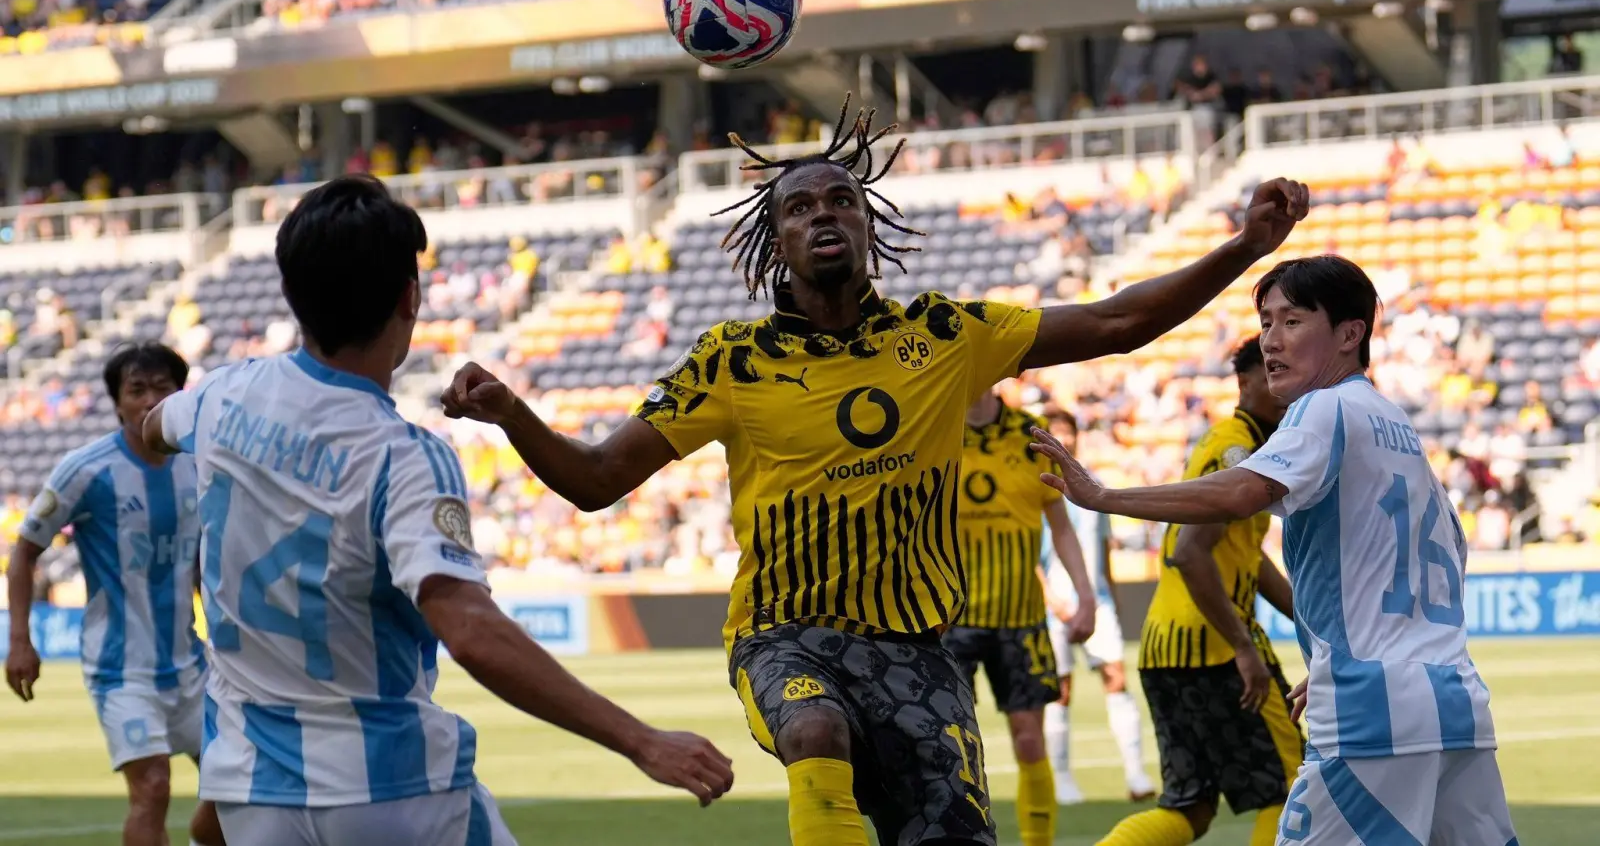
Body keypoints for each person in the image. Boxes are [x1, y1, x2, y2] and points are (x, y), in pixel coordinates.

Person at [441, 95, 1308, 846]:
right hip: (784, 634)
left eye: (840, 199)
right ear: (775, 239)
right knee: (814, 724)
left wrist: (1246, 246)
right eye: (798, 207)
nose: (822, 214)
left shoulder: (946, 336)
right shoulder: (730, 362)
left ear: (867, 222)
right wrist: (516, 414)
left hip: (916, 649)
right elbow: (595, 481)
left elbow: (1118, 322)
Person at [140, 176, 734, 846]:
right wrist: (641, 740)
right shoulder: (404, 456)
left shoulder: (221, 395)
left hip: (254, 795)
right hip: (392, 792)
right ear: (409, 298)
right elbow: (472, 631)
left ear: (292, 292)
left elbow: (154, 426)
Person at [1030, 256, 1516, 846]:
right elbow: (1447, 549)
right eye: (1266, 323)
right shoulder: (1397, 425)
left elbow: (1241, 493)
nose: (1271, 341)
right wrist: (1366, 646)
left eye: (1292, 321)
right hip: (1455, 702)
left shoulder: (1324, 407)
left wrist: (1104, 495)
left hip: (1374, 712)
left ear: (1349, 333)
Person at [5, 342, 226, 846]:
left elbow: (198, 558)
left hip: (191, 662)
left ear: (180, 396)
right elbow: (24, 552)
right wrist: (20, 638)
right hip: (120, 668)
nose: (150, 400)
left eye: (162, 388)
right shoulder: (86, 468)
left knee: (238, 785)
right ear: (117, 402)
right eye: (137, 389)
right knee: (152, 787)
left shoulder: (198, 464)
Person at [1090, 335, 1301, 846]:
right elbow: (1190, 551)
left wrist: (1309, 616)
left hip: (1164, 647)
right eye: (1271, 374)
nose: (1284, 387)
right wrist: (1243, 646)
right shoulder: (1237, 448)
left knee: (1192, 805)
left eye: (1289, 374)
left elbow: (1247, 554)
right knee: (1295, 786)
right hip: (1215, 645)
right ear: (1244, 382)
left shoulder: (1235, 444)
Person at [942, 388, 1098, 846]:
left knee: (1029, 740)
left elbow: (1062, 527)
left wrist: (1085, 595)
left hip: (1020, 617)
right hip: (949, 620)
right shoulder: (934, 426)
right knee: (951, 747)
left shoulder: (1029, 437)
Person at [1036, 408, 1155, 806]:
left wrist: (1113, 600)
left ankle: (1136, 773)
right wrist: (1050, 598)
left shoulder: (1092, 484)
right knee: (1061, 690)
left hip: (1098, 600)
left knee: (1116, 678)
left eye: (1067, 432)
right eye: (1055, 433)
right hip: (1054, 604)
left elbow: (1102, 547)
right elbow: (1032, 555)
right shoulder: (1034, 486)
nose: (1063, 440)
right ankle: (1063, 779)